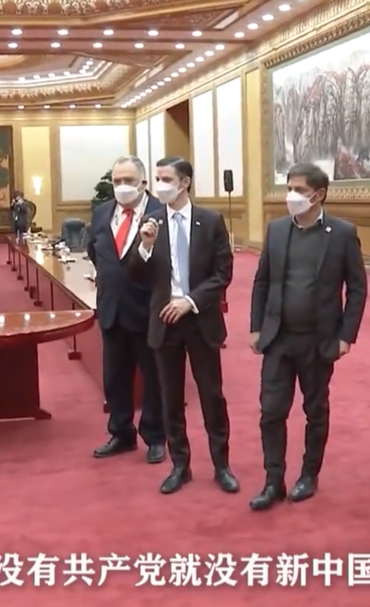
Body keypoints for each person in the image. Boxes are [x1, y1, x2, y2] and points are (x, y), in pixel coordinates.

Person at [248, 163, 366, 511]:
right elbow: (262, 281)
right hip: (278, 338)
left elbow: (357, 288)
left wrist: (346, 336)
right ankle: (273, 481)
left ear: (319, 194)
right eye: (289, 188)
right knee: (271, 411)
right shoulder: (277, 229)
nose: (292, 196)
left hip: (319, 340)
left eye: (299, 190)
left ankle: (309, 475)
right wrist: (256, 326)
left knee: (315, 410)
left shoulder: (342, 233)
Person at [130, 157, 236, 495]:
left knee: (211, 396)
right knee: (170, 396)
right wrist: (145, 246)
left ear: (185, 183)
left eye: (166, 179)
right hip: (164, 321)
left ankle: (221, 465)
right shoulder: (152, 222)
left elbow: (223, 273)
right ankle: (180, 465)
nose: (159, 185)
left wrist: (190, 301)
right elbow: (136, 275)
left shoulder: (210, 221)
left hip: (199, 318)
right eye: (157, 178)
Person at [85, 156, 166, 464]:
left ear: (143, 182)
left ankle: (155, 436)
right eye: (117, 181)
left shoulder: (161, 212)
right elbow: (95, 251)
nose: (122, 186)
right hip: (112, 308)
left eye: (128, 181)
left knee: (154, 378)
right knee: (115, 377)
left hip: (148, 309)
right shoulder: (102, 212)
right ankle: (121, 433)